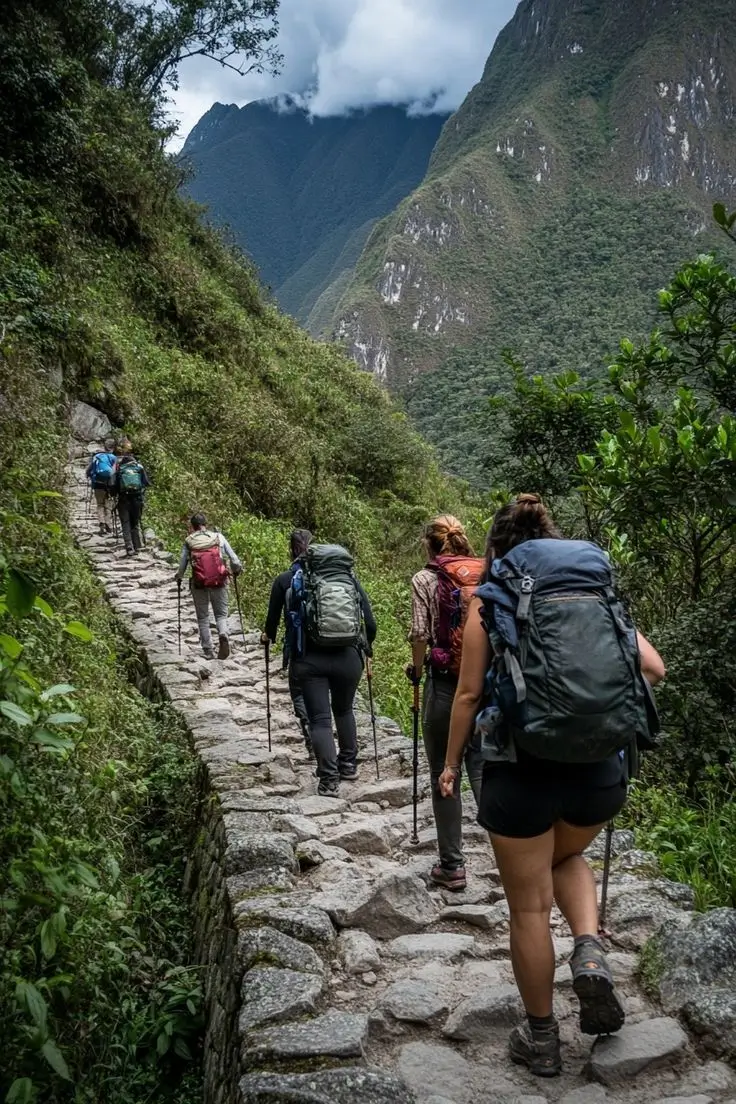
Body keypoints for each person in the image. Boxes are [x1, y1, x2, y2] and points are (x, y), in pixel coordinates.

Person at [439, 494, 665, 1077]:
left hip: (521, 775)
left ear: (497, 547)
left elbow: (466, 696)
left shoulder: (491, 601)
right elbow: (654, 668)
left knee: (529, 910)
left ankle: (542, 1039)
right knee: (568, 857)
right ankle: (588, 948)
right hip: (598, 773)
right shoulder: (595, 595)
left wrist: (448, 763)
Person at [408, 515, 484, 892]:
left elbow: (420, 633)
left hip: (445, 688)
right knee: (484, 768)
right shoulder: (486, 574)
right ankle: (513, 856)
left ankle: (453, 866)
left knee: (444, 771)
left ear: (429, 544)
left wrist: (417, 669)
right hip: (485, 688)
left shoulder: (425, 579)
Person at [289, 545, 377, 797]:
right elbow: (369, 623)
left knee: (319, 720)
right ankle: (348, 764)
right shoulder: (351, 583)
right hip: (348, 659)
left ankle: (328, 780)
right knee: (344, 709)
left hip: (311, 661)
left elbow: (291, 622)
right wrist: (366, 647)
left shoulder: (300, 582)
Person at [261, 529, 314, 757]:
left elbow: (271, 621)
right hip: (330, 648)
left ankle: (311, 735)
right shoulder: (325, 576)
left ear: (291, 549)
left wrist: (267, 637)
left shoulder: (284, 580)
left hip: (300, 650)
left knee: (299, 693)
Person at [175, 513, 242, 660]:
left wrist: (178, 577)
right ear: (206, 523)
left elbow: (182, 566)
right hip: (219, 580)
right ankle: (223, 633)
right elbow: (234, 560)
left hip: (199, 583)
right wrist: (237, 570)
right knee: (220, 614)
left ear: (192, 527)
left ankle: (208, 650)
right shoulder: (218, 537)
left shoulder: (189, 541)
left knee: (203, 617)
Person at [112, 446, 150, 556]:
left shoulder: (119, 470)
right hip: (137, 499)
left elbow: (113, 486)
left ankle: (129, 547)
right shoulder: (139, 468)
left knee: (125, 523)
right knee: (135, 523)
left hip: (123, 500)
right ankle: (137, 546)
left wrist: (114, 494)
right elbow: (146, 483)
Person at [85, 437, 117, 535]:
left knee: (100, 504)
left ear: (104, 446)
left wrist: (89, 476)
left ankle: (102, 523)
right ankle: (108, 524)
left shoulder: (96, 456)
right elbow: (114, 472)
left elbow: (88, 470)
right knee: (108, 505)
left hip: (98, 484)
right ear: (113, 448)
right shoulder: (113, 458)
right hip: (109, 485)